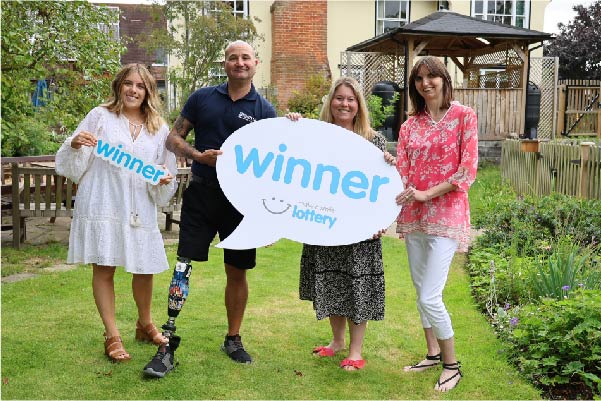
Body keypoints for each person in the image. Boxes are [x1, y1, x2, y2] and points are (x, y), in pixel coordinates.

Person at [143, 40, 276, 378]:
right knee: (183, 266)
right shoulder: (202, 98)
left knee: (237, 271)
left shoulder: (264, 110)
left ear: (255, 63)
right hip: (201, 195)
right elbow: (173, 138)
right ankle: (167, 339)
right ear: (226, 63)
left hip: (240, 204)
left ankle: (233, 338)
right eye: (234, 58)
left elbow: (281, 161)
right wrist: (197, 155)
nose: (240, 63)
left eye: (246, 58)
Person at [55, 63, 178, 363]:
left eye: (140, 86)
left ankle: (144, 324)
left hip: (138, 204)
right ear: (119, 86)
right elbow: (74, 162)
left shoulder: (159, 128)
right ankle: (112, 335)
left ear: (149, 92)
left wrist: (162, 178)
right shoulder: (100, 116)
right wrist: (74, 144)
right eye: (128, 84)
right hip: (103, 200)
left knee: (144, 268)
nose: (133, 90)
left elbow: (166, 170)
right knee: (105, 266)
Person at [286, 76, 393, 371]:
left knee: (356, 285)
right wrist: (292, 125)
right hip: (325, 226)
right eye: (339, 98)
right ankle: (337, 342)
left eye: (350, 99)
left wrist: (382, 218)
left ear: (358, 105)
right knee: (331, 281)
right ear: (330, 102)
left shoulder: (374, 141)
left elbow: (385, 188)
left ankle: (356, 351)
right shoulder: (315, 136)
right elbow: (293, 164)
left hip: (360, 230)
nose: (344, 104)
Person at [387, 56, 478, 391]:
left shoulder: (464, 116)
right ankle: (432, 353)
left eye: (432, 77)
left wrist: (426, 194)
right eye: (419, 79)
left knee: (430, 295)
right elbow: (403, 173)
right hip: (414, 218)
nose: (426, 83)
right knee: (419, 290)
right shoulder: (410, 125)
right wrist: (390, 167)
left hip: (447, 215)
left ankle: (452, 366)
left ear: (444, 79)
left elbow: (466, 171)